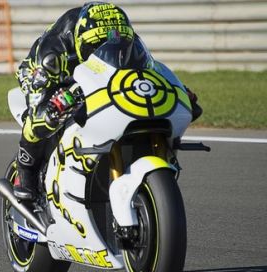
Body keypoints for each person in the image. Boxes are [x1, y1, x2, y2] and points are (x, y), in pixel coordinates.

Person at [13, 2, 200, 200]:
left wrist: (177, 90)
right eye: (94, 47)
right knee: (43, 118)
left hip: (90, 69)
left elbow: (146, 69)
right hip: (46, 73)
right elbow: (42, 94)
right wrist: (52, 106)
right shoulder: (52, 53)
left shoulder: (122, 35)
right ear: (81, 41)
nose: (103, 49)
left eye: (113, 41)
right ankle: (26, 171)